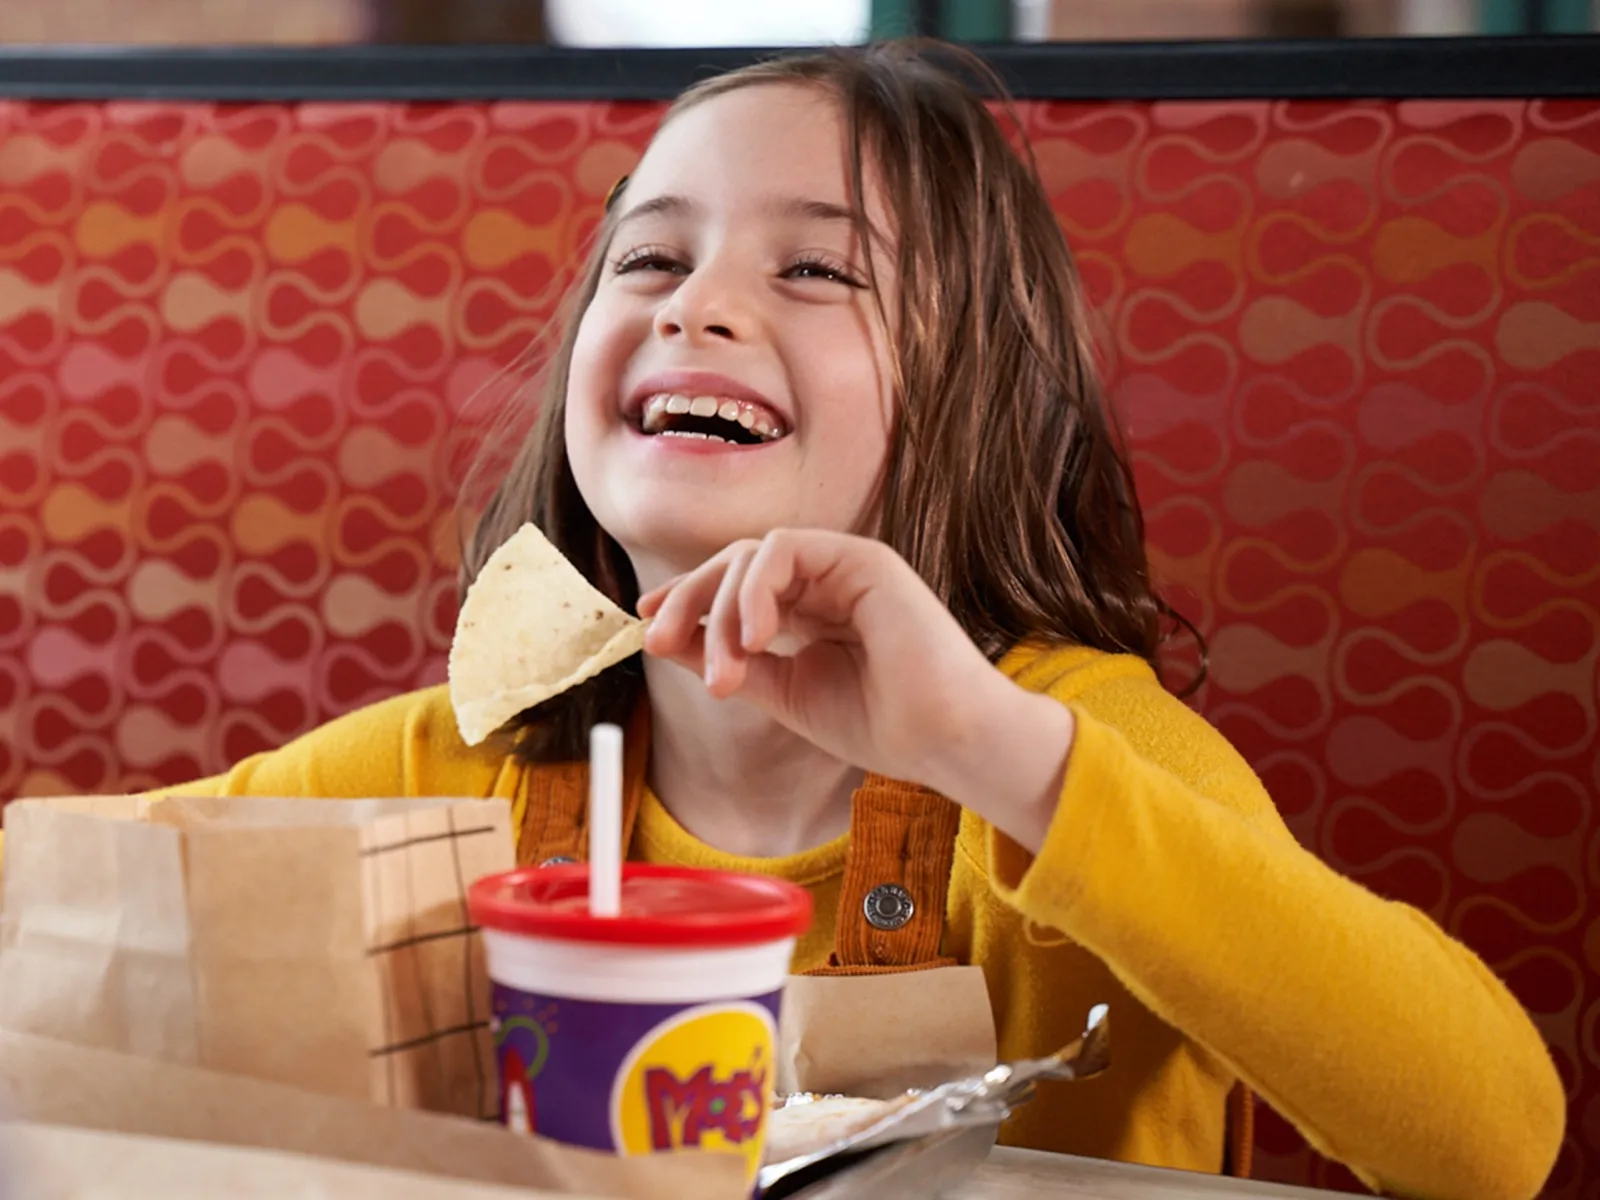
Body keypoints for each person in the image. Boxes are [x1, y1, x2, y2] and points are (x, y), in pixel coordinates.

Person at [149, 41, 1560, 1199]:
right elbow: (78, 919)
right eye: (645, 262)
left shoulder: (1076, 747)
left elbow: (1489, 1144)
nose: (695, 306)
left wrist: (989, 749)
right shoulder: (449, 767)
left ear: (978, 395)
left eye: (816, 271)